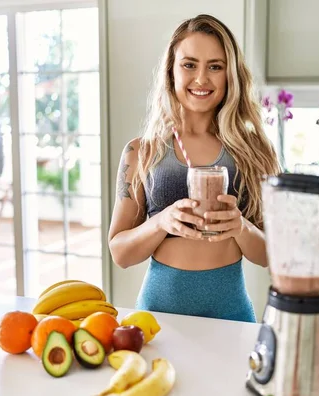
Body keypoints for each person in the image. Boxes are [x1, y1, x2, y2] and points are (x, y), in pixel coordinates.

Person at [107, 14, 280, 323]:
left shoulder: (254, 152)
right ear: (171, 72)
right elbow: (120, 253)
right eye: (189, 65)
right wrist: (161, 221)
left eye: (215, 66)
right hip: (158, 317)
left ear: (231, 75)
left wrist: (241, 227)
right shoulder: (141, 152)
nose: (201, 79)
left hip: (232, 315)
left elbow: (271, 255)